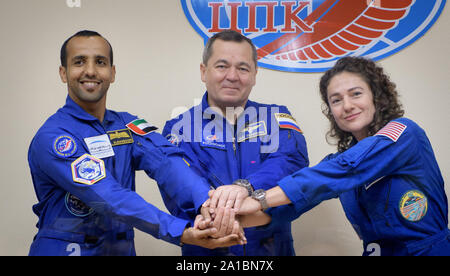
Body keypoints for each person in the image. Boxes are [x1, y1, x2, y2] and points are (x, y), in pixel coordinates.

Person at [27, 30, 244, 256]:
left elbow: (168, 163)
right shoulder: (54, 137)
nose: (90, 71)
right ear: (63, 73)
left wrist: (205, 203)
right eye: (79, 62)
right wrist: (180, 230)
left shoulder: (127, 125)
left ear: (112, 73)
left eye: (100, 62)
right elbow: (107, 197)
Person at [236, 56, 450, 256]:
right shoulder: (335, 163)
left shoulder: (404, 133)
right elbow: (291, 204)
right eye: (336, 100)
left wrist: (258, 199)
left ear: (377, 97)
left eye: (356, 94)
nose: (347, 106)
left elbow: (346, 168)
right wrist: (228, 218)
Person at [162, 30, 309, 256]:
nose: (232, 76)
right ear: (204, 71)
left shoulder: (275, 117)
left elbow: (290, 162)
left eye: (243, 68)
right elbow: (179, 185)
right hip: (206, 250)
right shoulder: (179, 128)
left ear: (254, 74)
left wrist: (245, 187)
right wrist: (214, 208)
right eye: (222, 66)